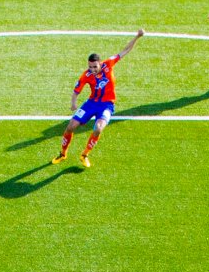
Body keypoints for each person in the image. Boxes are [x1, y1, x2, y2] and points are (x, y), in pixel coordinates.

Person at [51, 29, 145, 168]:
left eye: (94, 66)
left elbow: (124, 51)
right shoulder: (87, 75)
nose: (92, 69)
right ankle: (63, 153)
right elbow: (76, 90)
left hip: (107, 105)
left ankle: (84, 154)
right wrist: (73, 103)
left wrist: (137, 37)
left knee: (98, 128)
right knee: (70, 126)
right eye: (90, 67)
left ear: (100, 63)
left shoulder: (109, 64)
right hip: (90, 104)